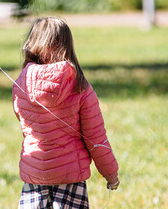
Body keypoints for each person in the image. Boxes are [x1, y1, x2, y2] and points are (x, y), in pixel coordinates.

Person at [12, 17, 119, 209]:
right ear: (67, 46)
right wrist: (110, 173)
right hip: (70, 178)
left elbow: (25, 124)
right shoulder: (79, 86)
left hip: (34, 177)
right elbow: (96, 138)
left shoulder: (21, 84)